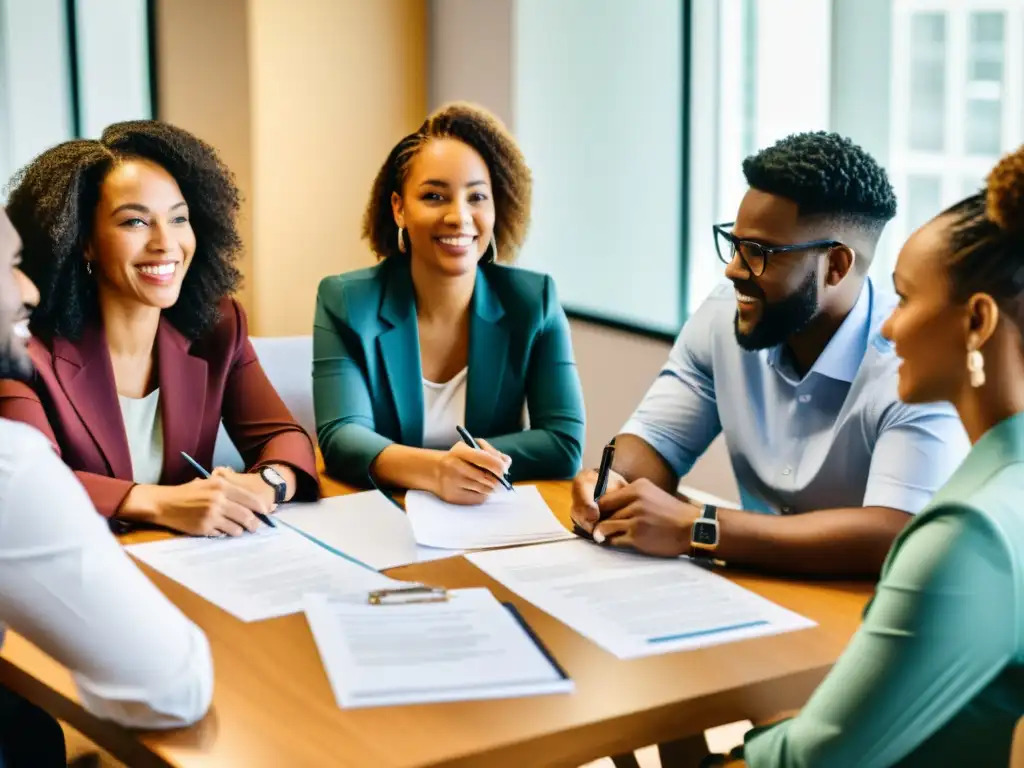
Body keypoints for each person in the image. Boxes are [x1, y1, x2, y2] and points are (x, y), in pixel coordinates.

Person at [724, 145, 1024, 768]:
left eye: (906, 299)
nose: (888, 328)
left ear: (977, 322)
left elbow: (812, 762)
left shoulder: (969, 532)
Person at [572, 132, 968, 577]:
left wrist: (701, 528)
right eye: (735, 243)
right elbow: (656, 440)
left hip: (859, 610)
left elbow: (894, 532)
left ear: (835, 266)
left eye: (759, 253)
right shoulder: (726, 316)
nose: (733, 269)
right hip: (751, 590)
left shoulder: (914, 362)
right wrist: (615, 483)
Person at [0, 121, 319, 536]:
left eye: (179, 219)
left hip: (191, 562)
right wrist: (161, 502)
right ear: (85, 241)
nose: (166, 243)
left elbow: (282, 435)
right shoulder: (23, 346)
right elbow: (30, 488)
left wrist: (266, 485)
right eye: (135, 222)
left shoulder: (217, 324)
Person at [0, 206, 213, 766]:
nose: (27, 289)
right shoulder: (9, 464)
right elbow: (173, 689)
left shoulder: (213, 324)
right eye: (10, 265)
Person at [314, 102, 585, 502]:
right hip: (387, 514)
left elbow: (563, 444)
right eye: (435, 196)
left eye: (477, 197)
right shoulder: (347, 300)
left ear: (497, 207)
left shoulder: (534, 302)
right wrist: (436, 471)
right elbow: (342, 438)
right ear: (398, 208)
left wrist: (463, 466)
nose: (459, 217)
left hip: (487, 517)